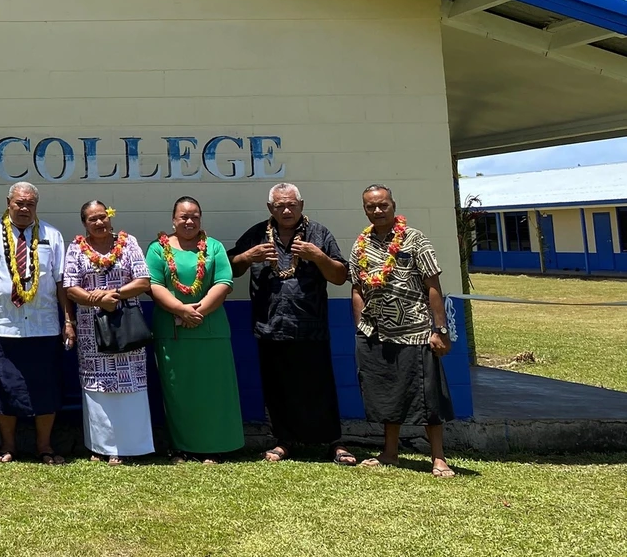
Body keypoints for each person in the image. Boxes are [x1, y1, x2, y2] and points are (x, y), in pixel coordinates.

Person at [229, 183, 355, 465]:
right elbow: (231, 267)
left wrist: (318, 256)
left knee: (319, 386)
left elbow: (340, 275)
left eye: (291, 205)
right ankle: (283, 441)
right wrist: (248, 257)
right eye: (279, 206)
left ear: (301, 205)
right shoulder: (258, 234)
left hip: (310, 324)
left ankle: (333, 442)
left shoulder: (318, 234)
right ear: (270, 208)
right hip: (270, 324)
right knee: (277, 387)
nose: (286, 210)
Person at [349, 184, 455, 477]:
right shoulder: (360, 245)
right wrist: (360, 322)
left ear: (393, 205)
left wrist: (440, 328)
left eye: (383, 205)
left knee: (428, 397)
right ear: (364, 209)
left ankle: (438, 458)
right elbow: (356, 286)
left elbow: (433, 286)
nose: (377, 211)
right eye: (371, 206)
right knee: (386, 394)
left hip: (416, 330)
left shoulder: (415, 240)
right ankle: (390, 452)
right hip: (376, 332)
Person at [0, 181, 73, 465]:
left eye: (30, 204)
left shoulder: (52, 235)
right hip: (3, 326)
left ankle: (44, 447)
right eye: (19, 203)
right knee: (4, 390)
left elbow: (62, 283)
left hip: (44, 326)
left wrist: (68, 320)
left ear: (36, 206)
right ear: (8, 202)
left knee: (46, 389)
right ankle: (8, 446)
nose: (24, 208)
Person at [146, 196, 243, 463]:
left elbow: (224, 282)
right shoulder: (157, 249)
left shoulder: (214, 247)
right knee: (179, 391)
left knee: (214, 390)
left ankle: (217, 446)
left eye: (195, 216)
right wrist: (180, 309)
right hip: (172, 332)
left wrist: (197, 311)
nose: (189, 221)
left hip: (210, 330)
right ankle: (183, 447)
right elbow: (154, 285)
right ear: (173, 219)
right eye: (183, 216)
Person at [62, 201, 154, 464]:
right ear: (84, 224)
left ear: (110, 217)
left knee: (130, 385)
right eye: (93, 219)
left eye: (102, 217)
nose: (99, 223)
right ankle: (102, 448)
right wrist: (96, 301)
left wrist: (114, 295)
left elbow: (143, 280)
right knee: (98, 387)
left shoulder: (128, 243)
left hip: (126, 325)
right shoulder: (76, 248)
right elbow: (70, 287)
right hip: (93, 330)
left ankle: (132, 447)